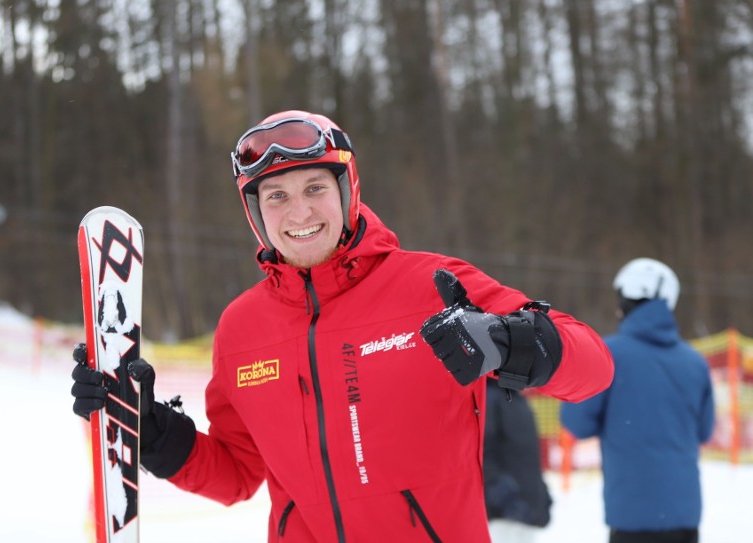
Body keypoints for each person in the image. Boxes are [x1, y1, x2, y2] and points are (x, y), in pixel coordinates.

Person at [72, 110, 614, 542]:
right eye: (276, 197)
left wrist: (510, 342)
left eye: (315, 188)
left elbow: (594, 367)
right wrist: (148, 427)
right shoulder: (242, 328)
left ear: (347, 191)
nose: (299, 212)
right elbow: (237, 475)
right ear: (256, 215)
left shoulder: (430, 285)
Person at [560, 258, 715, 543]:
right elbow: (704, 431)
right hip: (685, 515)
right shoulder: (695, 362)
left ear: (628, 300)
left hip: (632, 516)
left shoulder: (609, 354)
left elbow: (577, 422)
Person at [484, 380, 552, 543]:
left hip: (525, 510)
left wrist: (541, 496)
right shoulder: (489, 397)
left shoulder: (515, 397)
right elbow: (482, 453)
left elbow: (527, 456)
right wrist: (505, 499)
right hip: (502, 517)